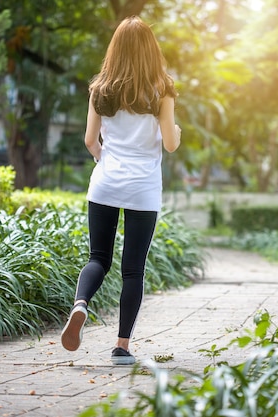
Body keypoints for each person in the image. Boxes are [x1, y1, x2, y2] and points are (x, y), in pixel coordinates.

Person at [60, 15, 181, 365]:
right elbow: (171, 144)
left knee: (98, 258)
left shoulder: (101, 89)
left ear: (115, 50)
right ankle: (122, 347)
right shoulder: (162, 89)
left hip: (105, 184)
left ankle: (80, 304)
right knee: (133, 269)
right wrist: (176, 131)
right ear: (150, 51)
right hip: (143, 189)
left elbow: (89, 140)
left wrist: (105, 159)